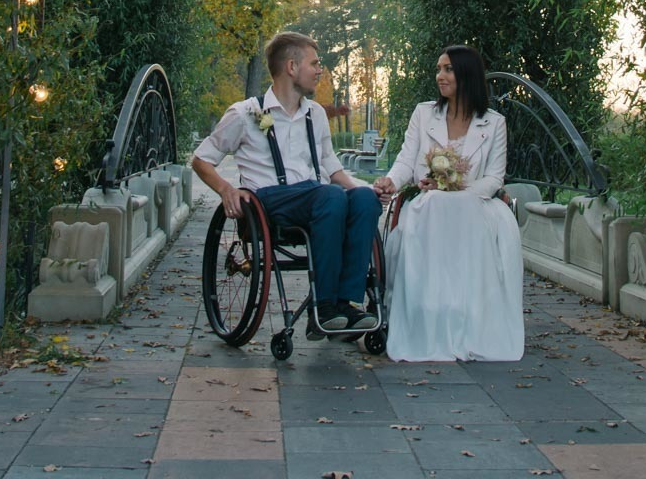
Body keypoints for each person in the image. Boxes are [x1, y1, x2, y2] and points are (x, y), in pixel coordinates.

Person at [192, 30, 382, 334]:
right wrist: (226, 189)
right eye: (314, 64)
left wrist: (364, 189)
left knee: (362, 200)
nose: (320, 70)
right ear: (291, 67)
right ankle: (323, 307)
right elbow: (201, 159)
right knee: (330, 197)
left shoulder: (315, 114)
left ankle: (347, 303)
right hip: (270, 202)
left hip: (316, 199)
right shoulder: (249, 113)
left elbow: (331, 166)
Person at [372, 45, 523, 361]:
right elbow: (406, 160)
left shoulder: (494, 123)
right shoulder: (424, 113)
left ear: (467, 74)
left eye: (448, 69)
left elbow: (494, 178)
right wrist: (392, 181)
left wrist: (457, 187)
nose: (440, 76)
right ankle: (430, 315)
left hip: (475, 202)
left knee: (450, 207)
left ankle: (466, 317)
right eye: (439, 69)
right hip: (432, 201)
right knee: (434, 206)